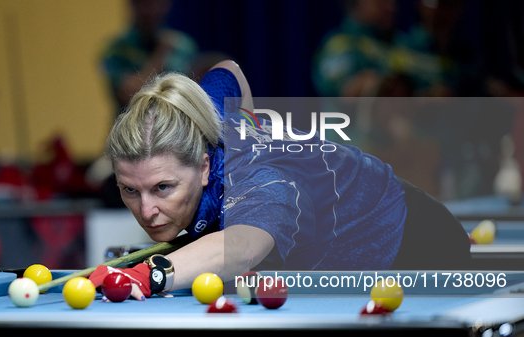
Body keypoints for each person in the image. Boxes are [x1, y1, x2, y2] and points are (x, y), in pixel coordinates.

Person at [88, 60, 472, 301]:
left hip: (417, 244)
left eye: (162, 188)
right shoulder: (201, 116)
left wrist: (148, 273)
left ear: (205, 167)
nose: (146, 210)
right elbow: (229, 71)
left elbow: (238, 248)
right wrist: (251, 128)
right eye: (129, 190)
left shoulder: (261, 185)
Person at [100, 0, 199, 115]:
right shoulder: (117, 49)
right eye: (146, 3)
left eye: (158, 3)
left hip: (176, 127)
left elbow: (194, 96)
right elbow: (131, 94)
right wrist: (160, 53)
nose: (153, 10)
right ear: (132, 4)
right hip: (132, 127)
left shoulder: (183, 46)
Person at [312, 0, 397, 97]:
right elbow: (348, 94)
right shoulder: (341, 46)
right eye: (381, 2)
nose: (390, 7)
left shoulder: (404, 44)